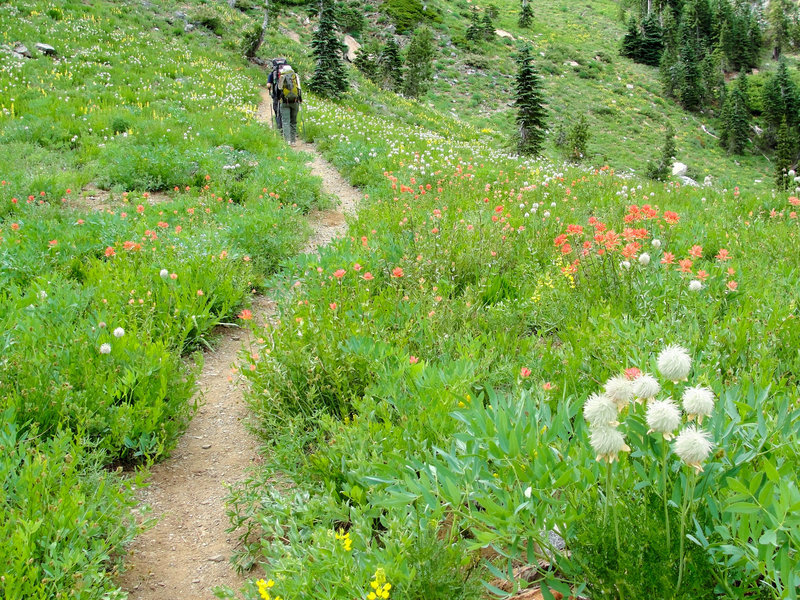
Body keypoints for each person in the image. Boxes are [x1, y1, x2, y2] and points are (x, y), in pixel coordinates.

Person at [277, 64, 302, 145]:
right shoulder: (295, 76)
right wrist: (300, 99)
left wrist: (278, 98)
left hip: (285, 102)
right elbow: (299, 89)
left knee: (285, 121)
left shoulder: (282, 77)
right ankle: (293, 141)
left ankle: (287, 140)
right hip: (295, 101)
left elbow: (278, 89)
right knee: (293, 121)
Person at [266, 58, 286, 130]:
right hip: (286, 96)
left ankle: (279, 127)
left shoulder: (272, 74)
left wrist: (270, 90)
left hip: (276, 95)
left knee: (277, 110)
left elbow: (268, 85)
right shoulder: (288, 74)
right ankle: (288, 127)